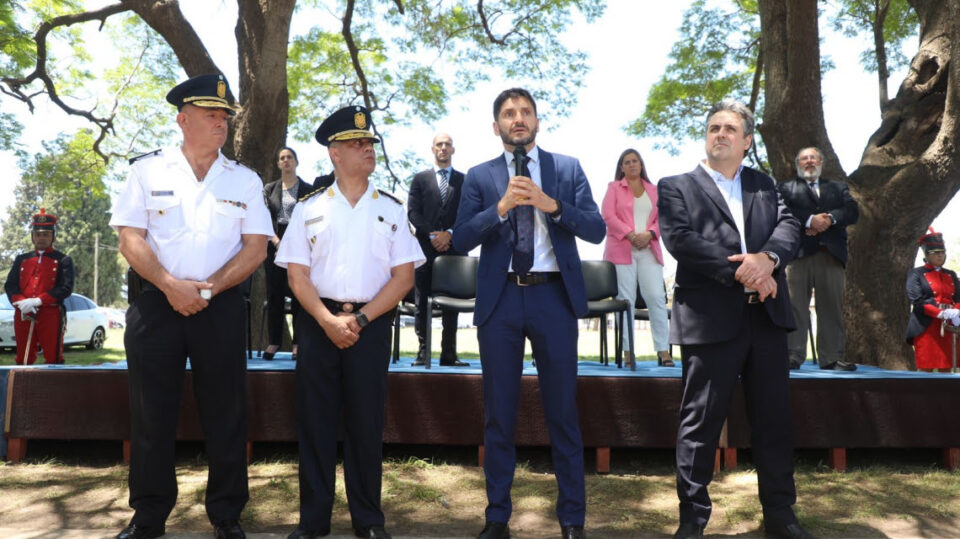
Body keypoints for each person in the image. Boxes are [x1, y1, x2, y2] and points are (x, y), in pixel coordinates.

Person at [109, 74, 273, 539]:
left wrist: (207, 290)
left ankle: (226, 515)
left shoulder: (244, 178)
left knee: (226, 412)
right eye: (211, 114)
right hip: (156, 307)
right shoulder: (148, 170)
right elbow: (129, 237)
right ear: (183, 120)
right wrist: (169, 285)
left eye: (224, 116)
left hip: (218, 308)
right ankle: (148, 517)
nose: (221, 122)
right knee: (150, 414)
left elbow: (255, 248)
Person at [657, 99, 813, 539]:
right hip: (709, 321)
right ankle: (692, 519)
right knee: (700, 423)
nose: (720, 133)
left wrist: (767, 259)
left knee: (774, 423)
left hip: (764, 320)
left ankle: (781, 516)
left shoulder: (764, 185)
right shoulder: (675, 186)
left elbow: (789, 228)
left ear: (746, 141)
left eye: (730, 129)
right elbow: (682, 240)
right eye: (713, 127)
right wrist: (747, 271)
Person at [453, 88, 605, 539]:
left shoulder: (567, 168)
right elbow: (460, 239)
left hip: (553, 298)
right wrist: (499, 209)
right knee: (499, 414)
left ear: (537, 121)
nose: (518, 119)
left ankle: (572, 520)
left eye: (525, 112)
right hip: (500, 301)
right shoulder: (480, 176)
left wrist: (550, 204)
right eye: (508, 113)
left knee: (562, 413)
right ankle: (497, 517)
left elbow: (596, 229)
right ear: (495, 125)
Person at [276, 105, 423, 539]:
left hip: (371, 325)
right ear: (334, 153)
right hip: (318, 325)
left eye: (369, 143)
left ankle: (369, 520)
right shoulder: (309, 208)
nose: (367, 149)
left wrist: (358, 319)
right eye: (356, 143)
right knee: (315, 423)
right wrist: (326, 320)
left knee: (365, 424)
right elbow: (296, 275)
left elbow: (404, 277)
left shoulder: (393, 209)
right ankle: (313, 521)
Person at [778, 147, 859, 371]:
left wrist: (830, 219)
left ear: (821, 162)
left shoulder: (837, 188)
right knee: (795, 306)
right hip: (798, 255)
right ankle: (793, 355)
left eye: (813, 158)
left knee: (831, 307)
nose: (809, 161)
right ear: (797, 164)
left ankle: (831, 357)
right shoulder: (785, 188)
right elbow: (780, 210)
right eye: (804, 158)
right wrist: (810, 220)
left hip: (830, 255)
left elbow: (852, 212)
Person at [600, 149, 672, 366]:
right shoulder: (613, 188)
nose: (632, 165)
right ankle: (628, 352)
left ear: (641, 165)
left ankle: (663, 351)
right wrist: (630, 234)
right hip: (622, 250)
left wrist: (649, 234)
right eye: (627, 162)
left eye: (635, 161)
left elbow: (664, 218)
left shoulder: (654, 190)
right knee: (626, 300)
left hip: (648, 249)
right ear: (621, 167)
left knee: (656, 298)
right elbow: (608, 215)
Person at [408, 133, 467, 366]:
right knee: (421, 301)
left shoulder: (465, 181)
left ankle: (449, 354)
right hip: (425, 249)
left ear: (453, 149)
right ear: (432, 149)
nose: (443, 148)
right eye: (439, 144)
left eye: (447, 144)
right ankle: (423, 352)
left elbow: (469, 212)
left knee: (453, 302)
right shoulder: (420, 179)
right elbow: (413, 212)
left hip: (455, 250)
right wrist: (433, 234)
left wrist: (449, 234)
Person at [262, 146, 316, 360]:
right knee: (274, 295)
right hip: (275, 241)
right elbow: (263, 218)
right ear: (278, 163)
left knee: (299, 296)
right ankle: (274, 342)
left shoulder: (309, 189)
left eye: (290, 157)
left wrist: (295, 243)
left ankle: (297, 344)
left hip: (301, 243)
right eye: (282, 158)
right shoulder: (269, 189)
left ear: (296, 161)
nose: (286, 161)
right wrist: (277, 242)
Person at [4, 208, 74, 365]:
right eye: (38, 234)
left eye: (46, 234)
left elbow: (66, 287)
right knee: (23, 357)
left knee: (53, 357)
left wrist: (38, 301)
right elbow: (10, 285)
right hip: (23, 312)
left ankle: (53, 388)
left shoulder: (63, 260)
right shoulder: (21, 259)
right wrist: (21, 302)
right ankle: (22, 388)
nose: (41, 238)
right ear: (32, 236)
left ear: (52, 237)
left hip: (51, 313)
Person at [906, 229, 960, 372]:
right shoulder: (916, 273)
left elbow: (958, 297)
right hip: (926, 326)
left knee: (947, 368)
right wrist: (940, 313)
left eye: (942, 252)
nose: (940, 255)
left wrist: (957, 312)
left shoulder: (951, 274)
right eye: (936, 252)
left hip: (949, 325)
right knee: (925, 369)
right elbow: (917, 301)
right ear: (926, 254)